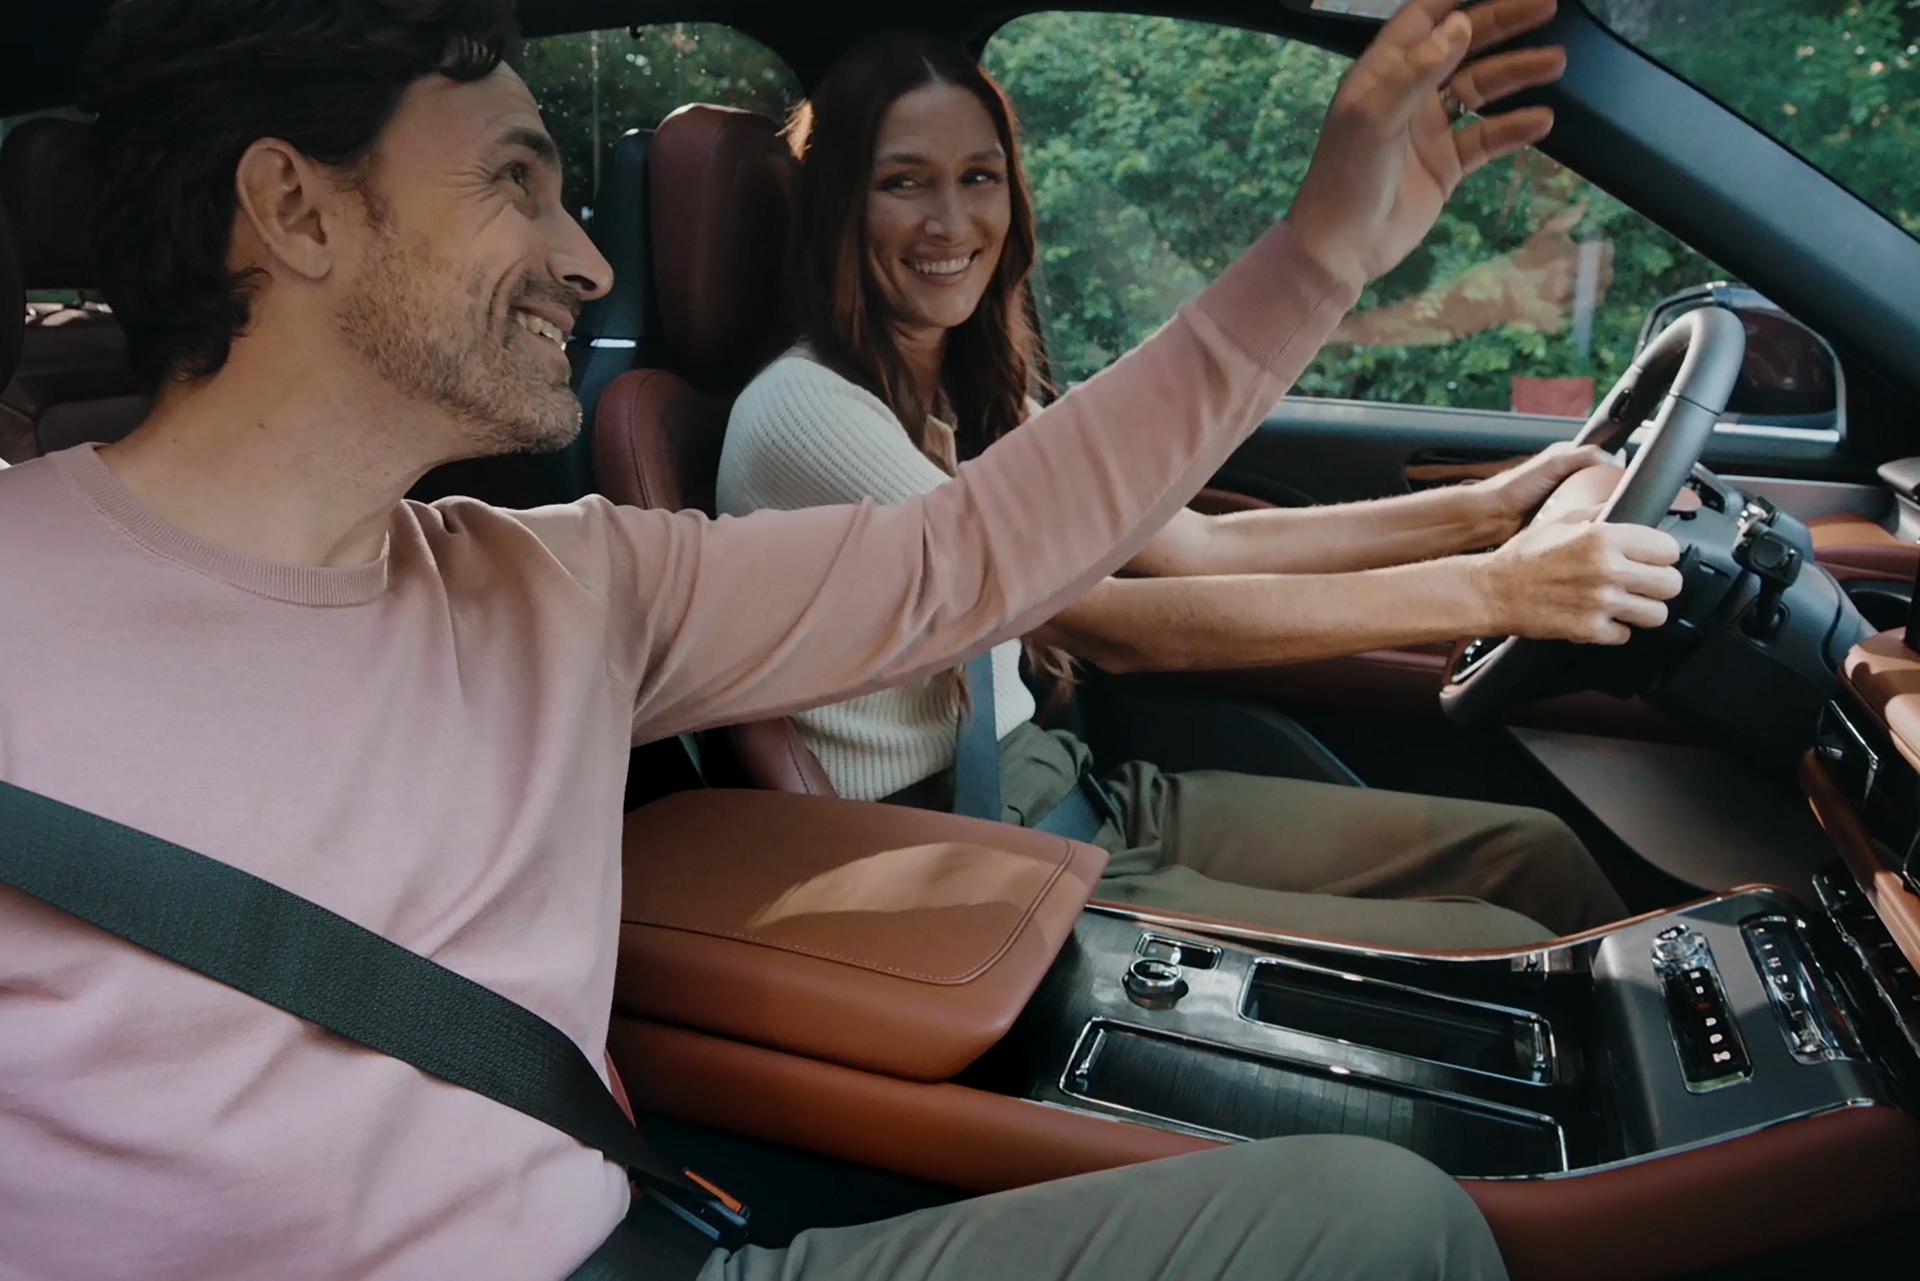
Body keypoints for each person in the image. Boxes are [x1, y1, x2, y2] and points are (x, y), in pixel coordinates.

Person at [0, 1, 1667, 1278]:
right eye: (518, 182)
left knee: (1377, 1221)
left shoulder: (569, 584)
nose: (588, 257)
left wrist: (1319, 260)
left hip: (652, 1251)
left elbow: (977, 555)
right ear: (294, 208)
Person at [718, 28, 1674, 946]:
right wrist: (1502, 589)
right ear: (842, 204)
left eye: (980, 176)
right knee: (1492, 944)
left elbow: (1202, 545)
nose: (952, 220)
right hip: (961, 855)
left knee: (1531, 855)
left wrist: (1498, 504)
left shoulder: (965, 395)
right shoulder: (804, 410)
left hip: (1069, 792)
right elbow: (1108, 624)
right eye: (903, 183)